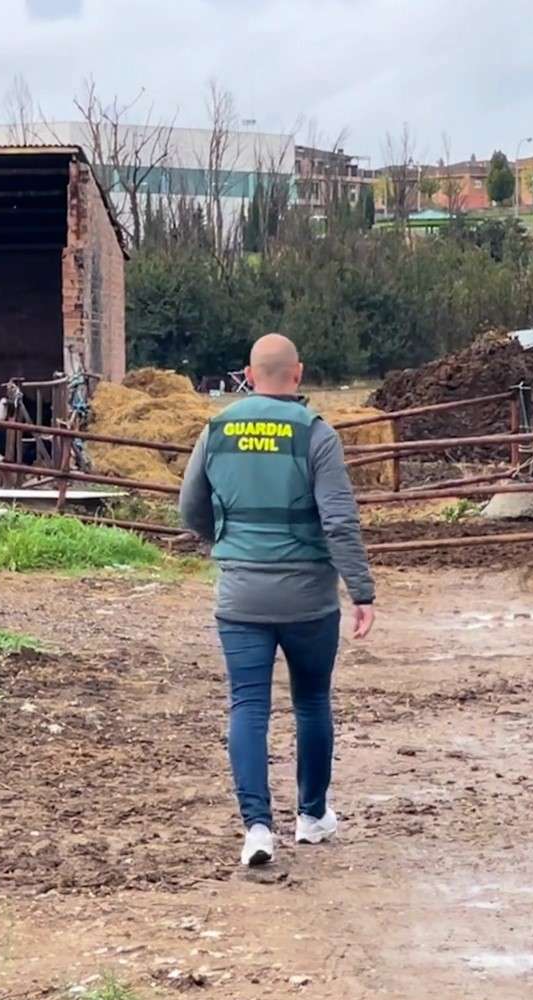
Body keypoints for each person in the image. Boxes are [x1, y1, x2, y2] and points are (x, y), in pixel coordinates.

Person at [179, 334, 377, 868]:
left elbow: (190, 506)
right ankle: (311, 817)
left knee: (248, 705)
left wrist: (224, 543)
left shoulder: (217, 428)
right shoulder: (316, 434)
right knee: (311, 702)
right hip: (309, 600)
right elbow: (338, 520)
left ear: (248, 373)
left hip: (240, 596)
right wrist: (361, 590)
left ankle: (258, 828)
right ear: (298, 374)